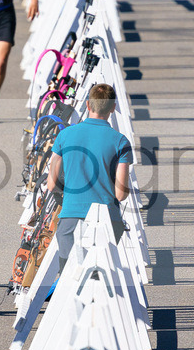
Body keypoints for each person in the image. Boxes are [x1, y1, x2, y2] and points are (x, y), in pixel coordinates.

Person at [45, 83, 133, 261]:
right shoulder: (121, 142)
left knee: (70, 275)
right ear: (113, 108)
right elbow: (121, 194)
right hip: (107, 219)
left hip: (71, 216)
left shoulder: (64, 135)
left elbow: (51, 184)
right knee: (104, 273)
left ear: (88, 104)